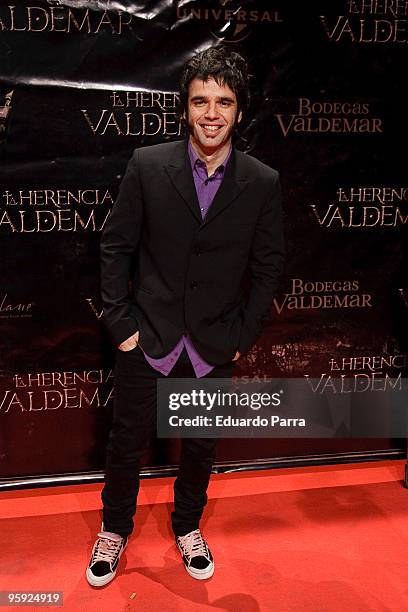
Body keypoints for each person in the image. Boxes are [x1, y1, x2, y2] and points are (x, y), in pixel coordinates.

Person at [86, 45, 284, 587]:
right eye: (201, 101)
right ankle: (113, 528)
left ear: (239, 110)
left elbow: (268, 269)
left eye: (224, 101)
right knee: (127, 440)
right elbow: (116, 247)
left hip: (214, 343)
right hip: (147, 337)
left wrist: (242, 334)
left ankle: (188, 524)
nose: (212, 113)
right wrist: (122, 326)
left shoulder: (262, 181)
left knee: (200, 445)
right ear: (185, 109)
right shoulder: (148, 166)